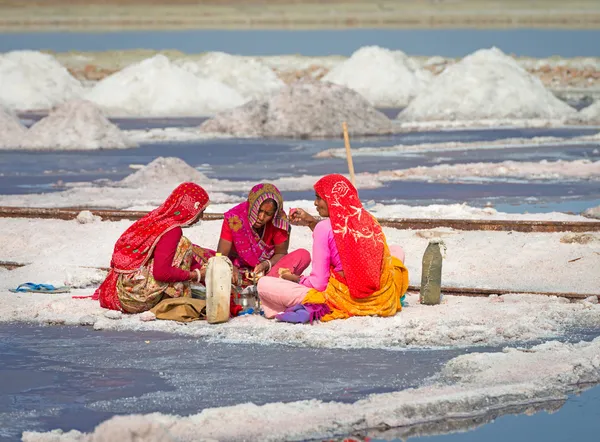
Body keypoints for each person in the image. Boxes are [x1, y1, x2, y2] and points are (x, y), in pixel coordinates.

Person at [257, 174, 409, 323]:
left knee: (264, 284)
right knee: (395, 250)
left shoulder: (324, 228)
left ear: (332, 200)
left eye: (318, 197)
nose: (315, 203)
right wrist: (310, 221)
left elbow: (319, 283)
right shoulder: (367, 218)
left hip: (344, 297)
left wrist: (296, 279)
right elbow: (338, 239)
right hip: (381, 296)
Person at [93, 182, 214, 313]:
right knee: (184, 245)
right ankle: (176, 300)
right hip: (134, 299)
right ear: (190, 208)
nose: (201, 217)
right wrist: (194, 275)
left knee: (186, 248)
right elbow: (161, 273)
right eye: (201, 211)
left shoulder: (156, 219)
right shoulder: (172, 230)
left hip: (118, 289)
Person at [217, 183, 310, 286]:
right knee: (211, 264)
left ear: (274, 214)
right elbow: (221, 255)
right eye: (259, 211)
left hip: (267, 273)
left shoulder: (279, 222)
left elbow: (281, 253)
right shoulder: (234, 218)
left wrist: (267, 264)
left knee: (303, 255)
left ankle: (266, 285)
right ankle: (269, 287)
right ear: (252, 205)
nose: (261, 217)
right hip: (238, 272)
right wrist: (230, 267)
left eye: (268, 214)